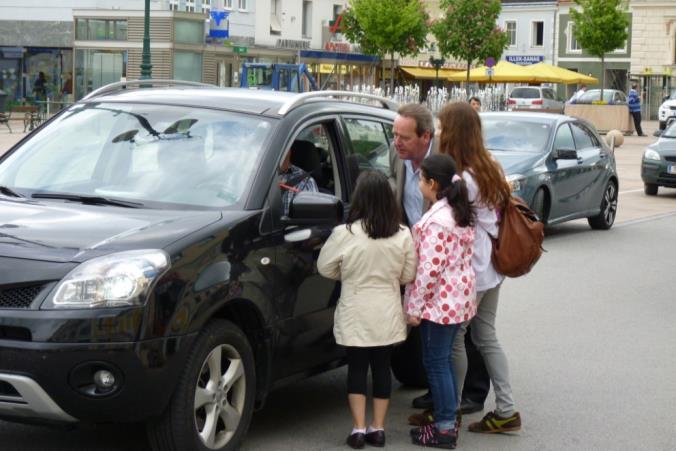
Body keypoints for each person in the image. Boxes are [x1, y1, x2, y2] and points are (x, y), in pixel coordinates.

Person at [438, 101, 522, 434]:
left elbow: (452, 225)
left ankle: (452, 410)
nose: (440, 131)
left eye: (443, 126)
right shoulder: (490, 167)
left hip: (471, 270)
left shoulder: (462, 178)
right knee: (486, 336)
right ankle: (506, 409)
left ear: (454, 132)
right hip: (492, 267)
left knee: (457, 339)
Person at [317, 170, 417, 450]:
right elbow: (408, 275)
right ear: (388, 199)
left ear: (358, 199)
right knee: (382, 368)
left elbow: (324, 267)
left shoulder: (344, 233)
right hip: (386, 309)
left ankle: (358, 429)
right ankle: (379, 428)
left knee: (357, 369)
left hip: (355, 307)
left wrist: (347, 273)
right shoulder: (402, 234)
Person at [405, 153, 477, 449]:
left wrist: (414, 308)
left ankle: (445, 428)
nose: (418, 184)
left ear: (432, 183)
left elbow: (428, 271)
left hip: (439, 305)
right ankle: (446, 421)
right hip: (458, 300)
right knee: (442, 362)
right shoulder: (457, 212)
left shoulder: (437, 222)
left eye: (420, 179)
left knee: (436, 364)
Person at [279, 143, 318, 216]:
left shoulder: (305, 182)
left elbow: (311, 222)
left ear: (288, 150)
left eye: (279, 148)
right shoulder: (254, 180)